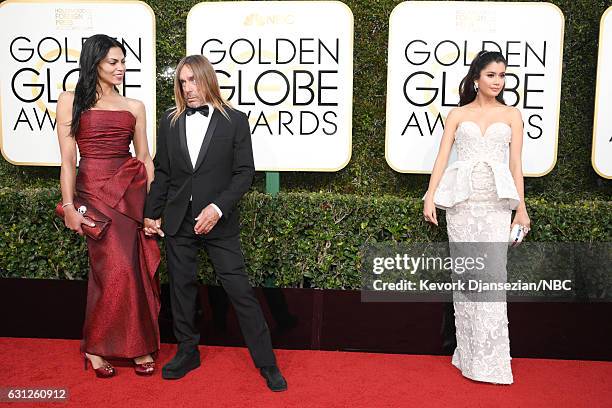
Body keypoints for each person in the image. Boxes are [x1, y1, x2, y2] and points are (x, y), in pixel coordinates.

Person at [143, 55, 287, 391]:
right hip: (178, 220)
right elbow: (163, 171)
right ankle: (188, 351)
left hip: (219, 222)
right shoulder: (170, 120)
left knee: (240, 290)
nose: (187, 89)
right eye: (182, 82)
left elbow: (243, 172)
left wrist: (218, 208)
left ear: (208, 79)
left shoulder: (234, 120)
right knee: (181, 289)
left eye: (193, 80)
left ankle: (267, 363)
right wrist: (153, 211)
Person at [423, 50, 531, 384]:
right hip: (462, 204)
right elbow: (442, 156)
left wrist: (521, 208)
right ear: (476, 78)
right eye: (491, 75)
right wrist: (430, 194)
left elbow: (515, 164)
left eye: (502, 75)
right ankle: (467, 355)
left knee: (493, 280)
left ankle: (492, 361)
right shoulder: (456, 114)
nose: (498, 81)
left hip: (497, 203)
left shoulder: (512, 115)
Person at [57, 34, 160, 378]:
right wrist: (69, 205)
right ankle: (97, 347)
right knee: (111, 270)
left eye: (123, 62)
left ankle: (136, 343)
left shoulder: (134, 107)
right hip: (92, 195)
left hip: (129, 196)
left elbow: (144, 157)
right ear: (94, 63)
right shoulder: (71, 101)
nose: (121, 68)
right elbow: (68, 158)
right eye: (112, 62)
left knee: (133, 267)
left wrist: (152, 208)